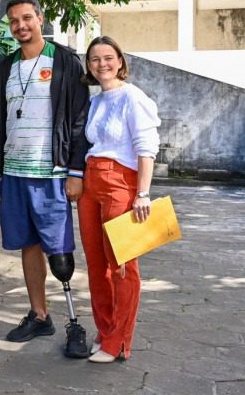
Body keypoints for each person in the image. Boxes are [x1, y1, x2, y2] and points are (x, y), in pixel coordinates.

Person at [0, 0, 91, 357]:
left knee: (59, 252)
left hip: (53, 174)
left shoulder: (64, 61)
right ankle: (40, 315)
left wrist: (76, 170)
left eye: (26, 18)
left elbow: (79, 120)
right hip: (14, 173)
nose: (20, 26)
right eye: (14, 21)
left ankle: (76, 322)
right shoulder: (5, 65)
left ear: (40, 19)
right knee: (27, 245)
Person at [77, 36, 160, 364]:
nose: (101, 64)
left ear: (120, 61)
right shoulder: (97, 101)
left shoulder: (133, 97)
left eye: (108, 57)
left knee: (123, 264)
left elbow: (146, 148)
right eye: (94, 59)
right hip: (90, 182)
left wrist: (142, 193)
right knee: (97, 265)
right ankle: (105, 329)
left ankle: (119, 341)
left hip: (120, 184)